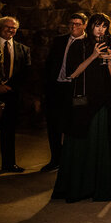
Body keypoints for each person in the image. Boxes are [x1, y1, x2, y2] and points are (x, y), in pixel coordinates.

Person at [52, 13, 111, 203]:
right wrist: (93, 56)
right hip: (83, 102)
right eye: (97, 25)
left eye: (104, 26)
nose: (100, 30)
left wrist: (110, 59)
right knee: (80, 143)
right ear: (90, 27)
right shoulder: (79, 45)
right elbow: (73, 73)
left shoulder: (109, 46)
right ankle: (77, 187)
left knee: (99, 145)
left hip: (102, 102)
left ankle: (98, 188)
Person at [42, 12, 87, 172]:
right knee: (53, 125)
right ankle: (55, 159)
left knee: (71, 125)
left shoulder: (87, 44)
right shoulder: (59, 41)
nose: (74, 27)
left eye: (77, 24)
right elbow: (49, 64)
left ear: (84, 25)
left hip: (74, 90)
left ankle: (70, 161)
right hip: (57, 88)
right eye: (71, 23)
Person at [0, 16, 31, 174]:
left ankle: (8, 164)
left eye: (14, 28)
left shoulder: (23, 49)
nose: (10, 30)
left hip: (11, 95)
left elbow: (26, 73)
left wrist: (9, 87)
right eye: (7, 27)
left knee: (9, 131)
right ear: (0, 27)